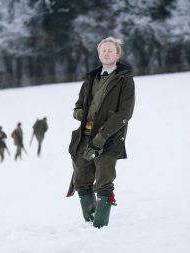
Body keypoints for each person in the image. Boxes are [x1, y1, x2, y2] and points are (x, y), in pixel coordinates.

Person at [68, 36, 135, 228]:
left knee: (104, 180)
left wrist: (101, 138)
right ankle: (90, 219)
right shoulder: (91, 78)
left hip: (109, 137)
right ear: (99, 54)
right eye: (103, 50)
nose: (106, 53)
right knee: (81, 177)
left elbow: (125, 113)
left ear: (117, 54)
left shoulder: (124, 80)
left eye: (110, 50)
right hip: (84, 135)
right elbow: (78, 106)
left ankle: (100, 226)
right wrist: (80, 112)